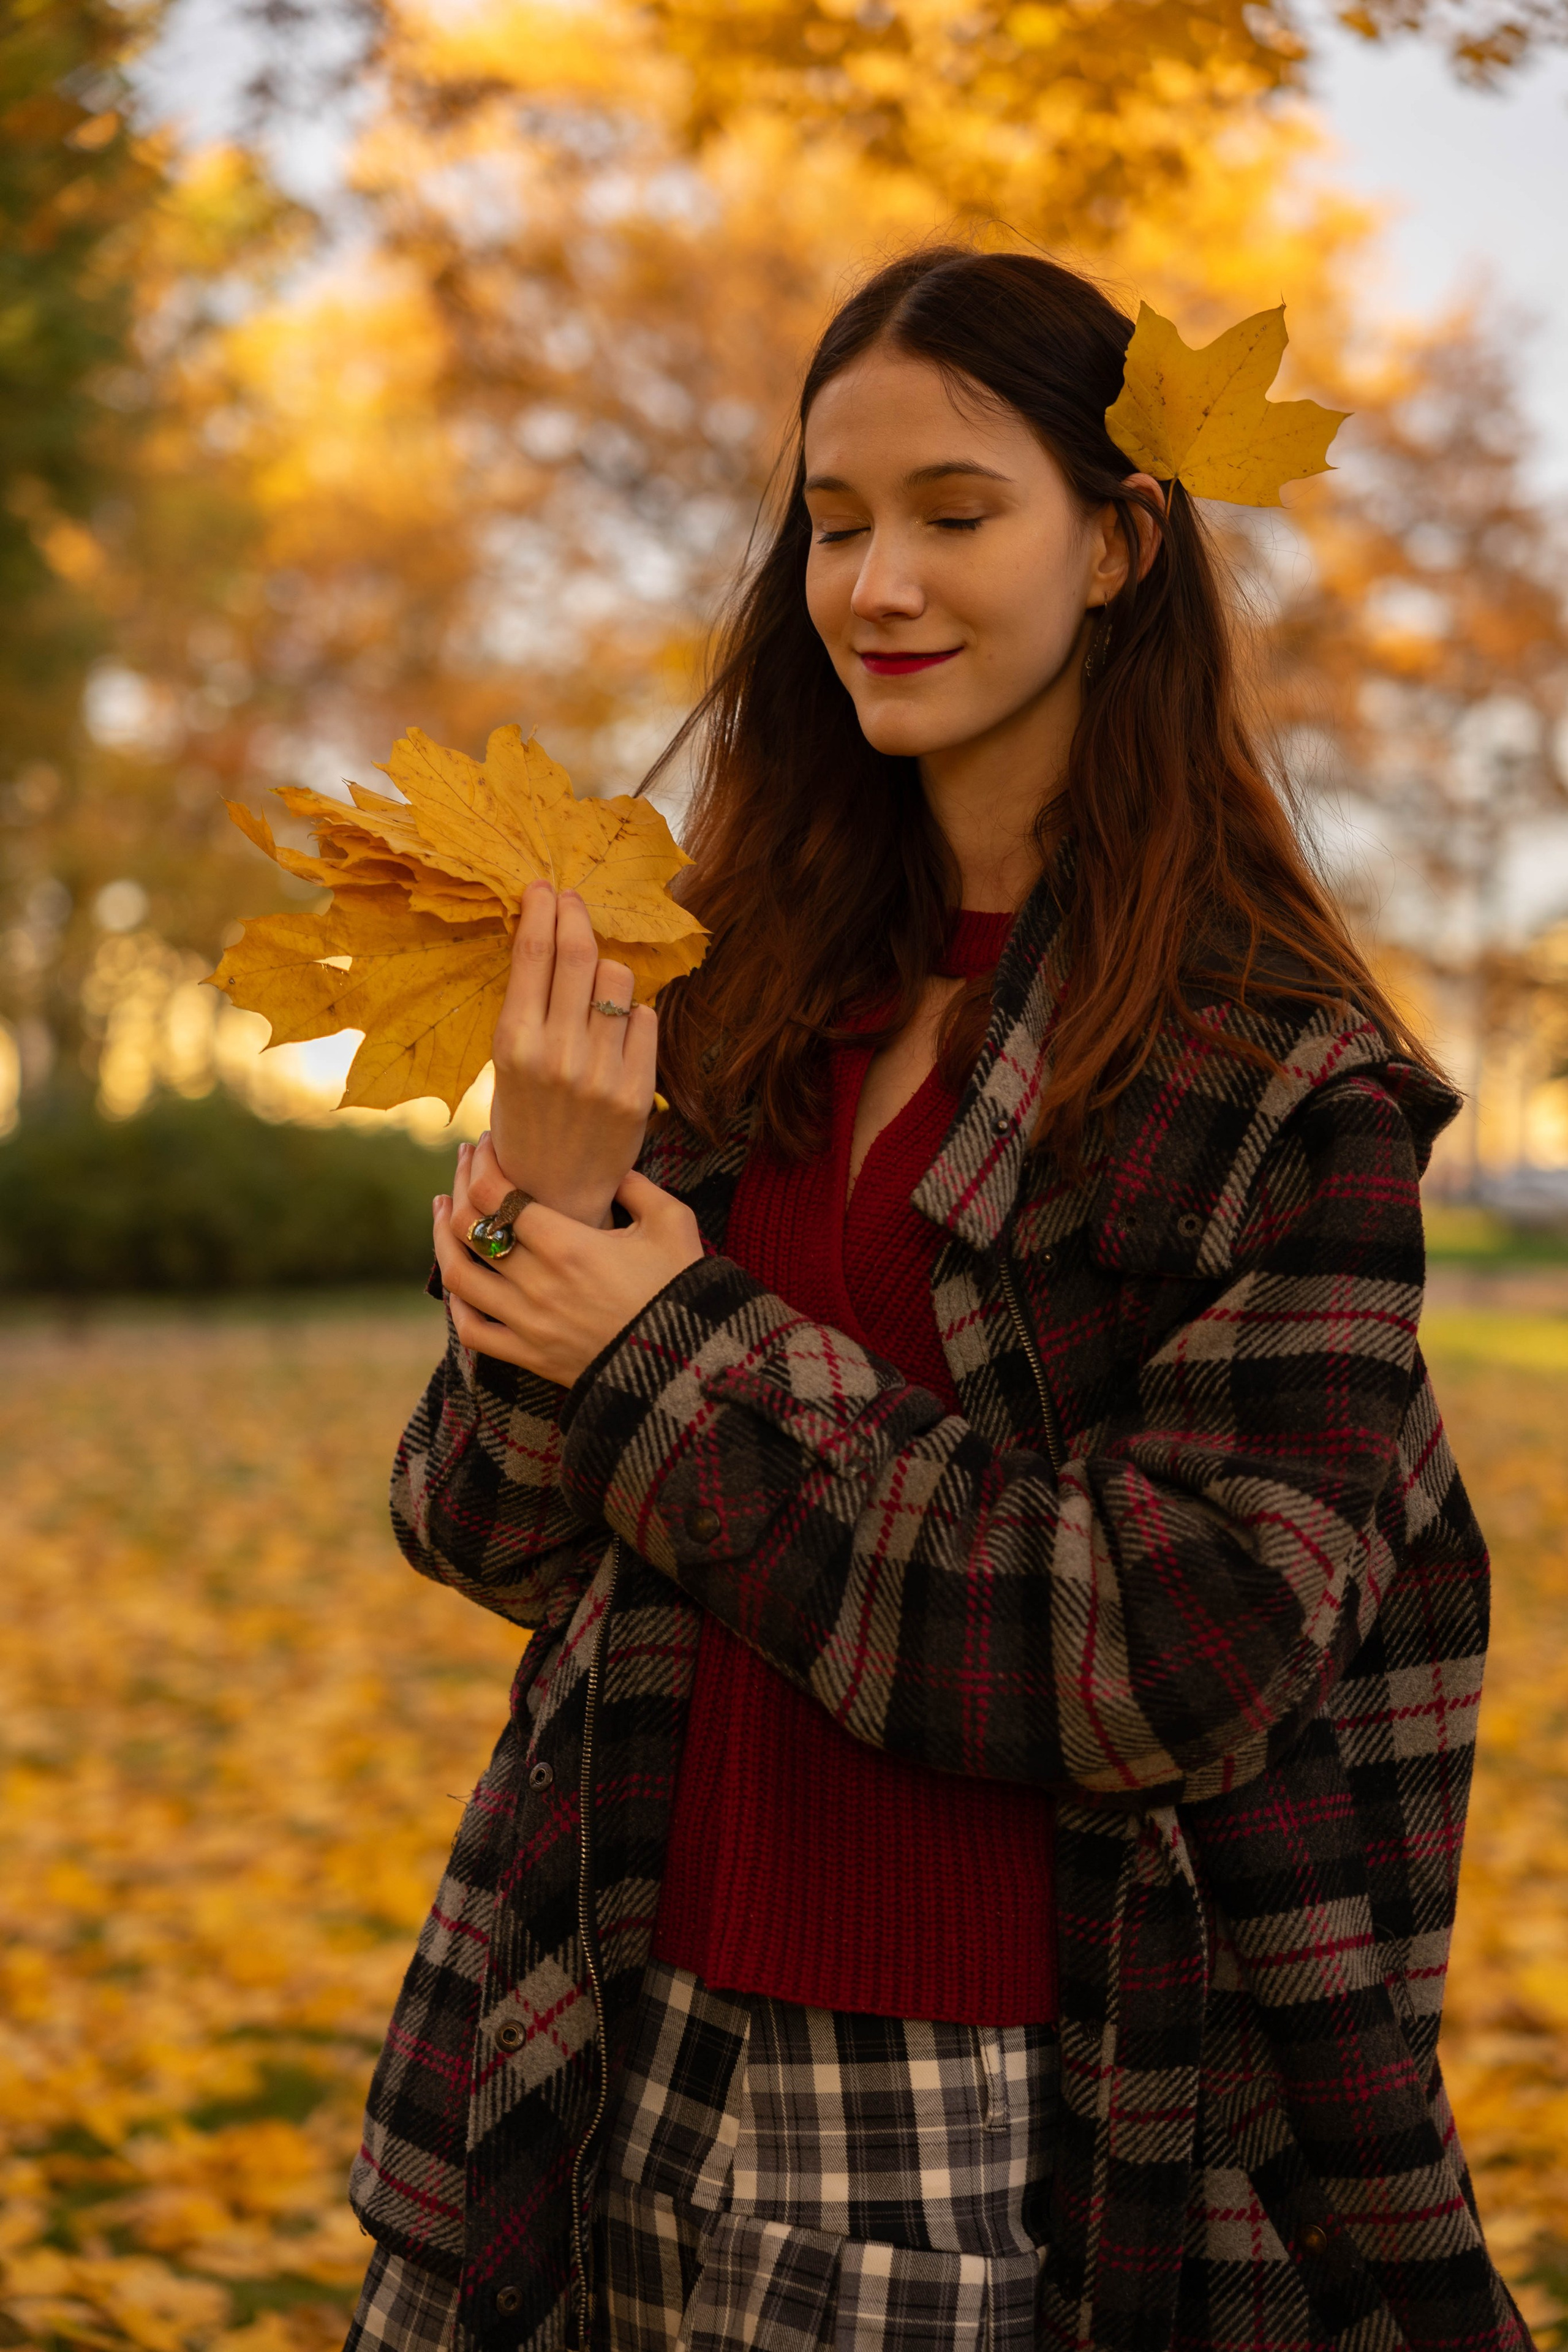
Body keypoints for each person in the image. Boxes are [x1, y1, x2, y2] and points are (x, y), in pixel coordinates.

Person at [342, 247, 1529, 2352]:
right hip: (584, 2004)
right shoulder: (747, 980)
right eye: (834, 520)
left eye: (956, 516)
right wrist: (542, 1196)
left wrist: (674, 1348)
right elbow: (488, 1528)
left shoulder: (1274, 1077)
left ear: (1121, 543)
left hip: (952, 2087)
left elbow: (1183, 1648)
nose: (876, 580)